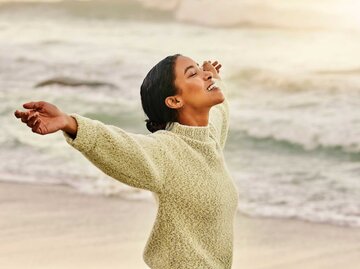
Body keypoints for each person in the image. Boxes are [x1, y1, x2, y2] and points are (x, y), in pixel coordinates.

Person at [14, 54, 239, 269]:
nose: (205, 75)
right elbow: (119, 146)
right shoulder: (165, 151)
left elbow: (220, 109)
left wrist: (215, 80)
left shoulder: (209, 139)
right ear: (174, 100)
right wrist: (69, 123)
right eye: (193, 74)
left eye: (201, 69)